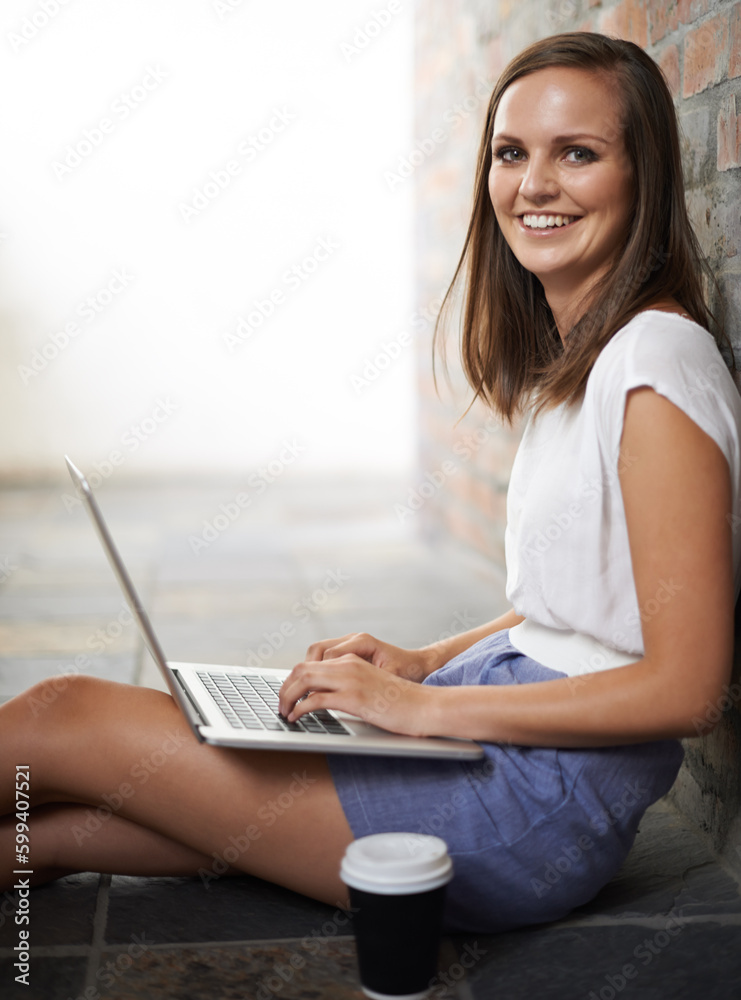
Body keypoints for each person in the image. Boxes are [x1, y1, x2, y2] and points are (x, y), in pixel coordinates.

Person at [2, 31, 740, 935]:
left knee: (58, 717)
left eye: (576, 153)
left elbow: (687, 686)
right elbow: (584, 602)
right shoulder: (586, 359)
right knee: (68, 821)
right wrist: (427, 660)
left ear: (643, 178)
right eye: (510, 153)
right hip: (498, 732)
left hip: (529, 799)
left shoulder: (656, 362)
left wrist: (420, 707)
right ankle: (48, 848)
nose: (532, 185)